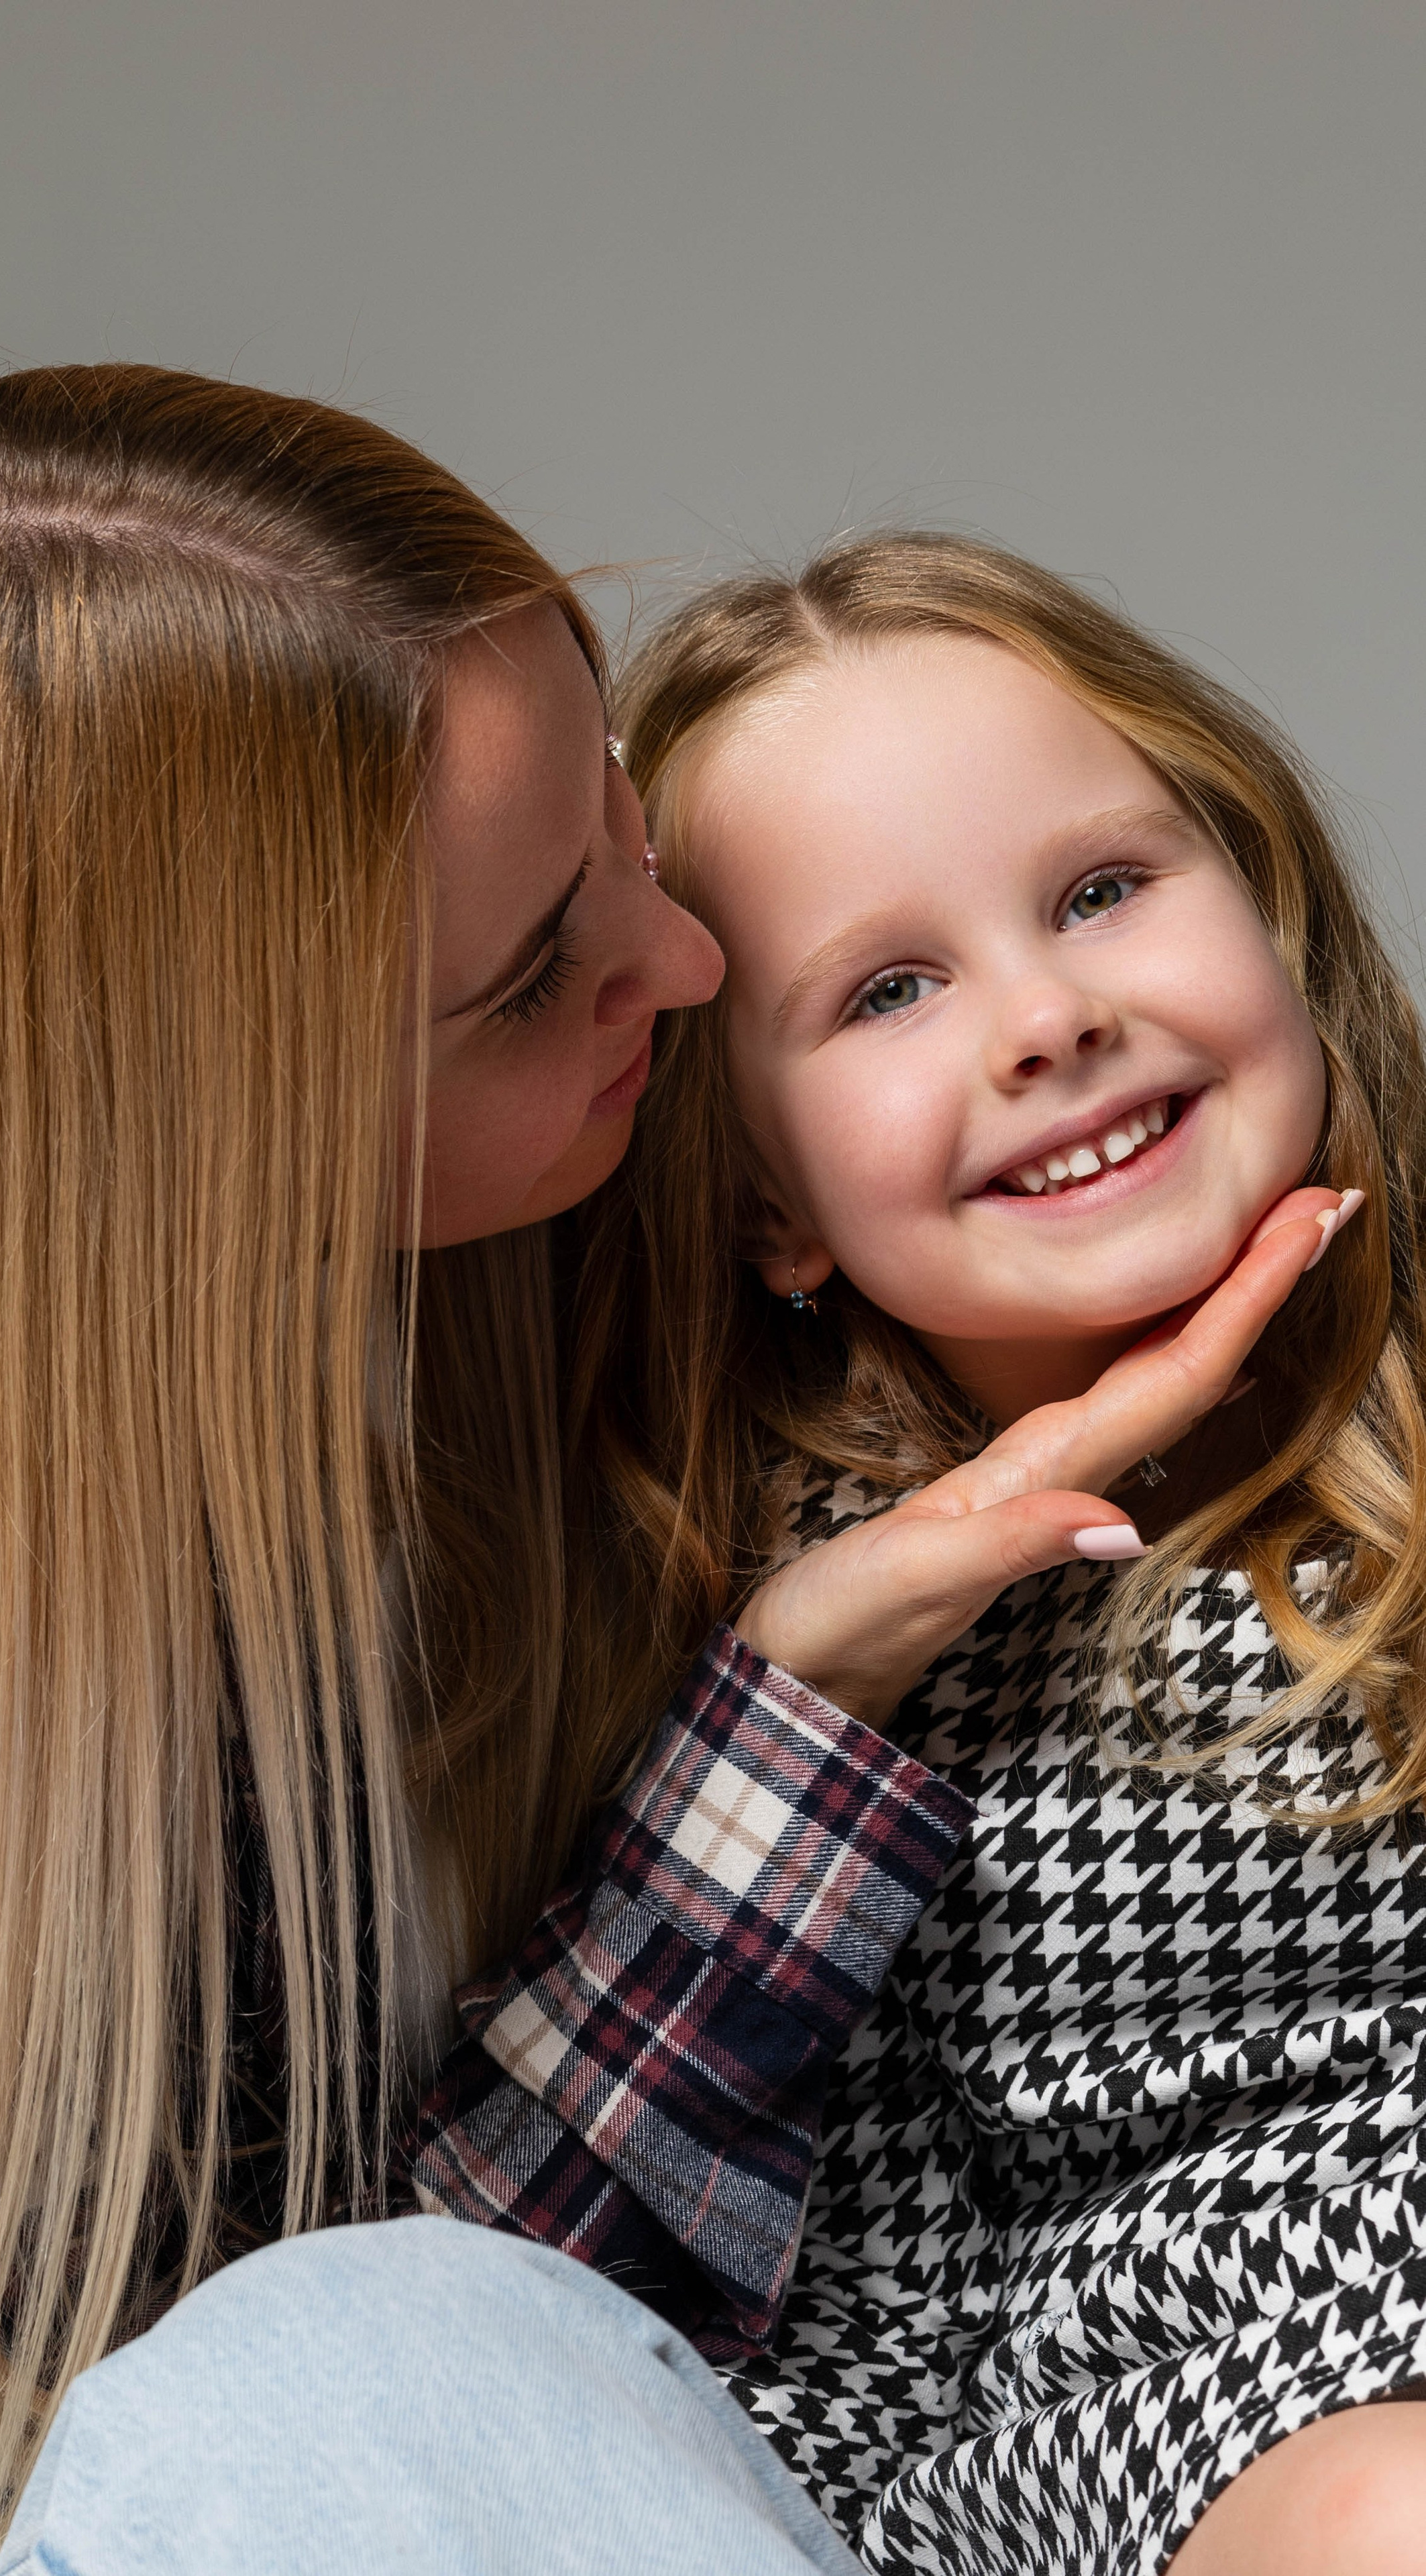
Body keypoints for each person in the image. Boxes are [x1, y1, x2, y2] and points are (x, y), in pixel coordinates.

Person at [0, 377, 1328, 2576]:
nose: (683, 963)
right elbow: (263, 2459)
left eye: (623, 818)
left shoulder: (678, 1190)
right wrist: (780, 1734)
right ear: (220, 1140)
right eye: (535, 969)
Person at [575, 529, 1426, 2576]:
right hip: (1182, 2383)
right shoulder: (781, 1619)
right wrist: (804, 1697)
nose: (1047, 1017)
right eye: (888, 991)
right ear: (765, 1201)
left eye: (1102, 891)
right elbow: (783, 2293)